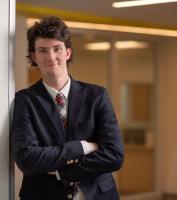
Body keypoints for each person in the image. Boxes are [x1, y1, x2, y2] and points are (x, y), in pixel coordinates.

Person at [12, 16, 124, 200]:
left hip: (98, 194)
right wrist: (81, 147)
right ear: (34, 56)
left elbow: (114, 155)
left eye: (57, 49)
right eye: (42, 50)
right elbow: (28, 159)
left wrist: (63, 172)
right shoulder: (24, 101)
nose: (50, 57)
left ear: (68, 52)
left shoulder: (97, 96)